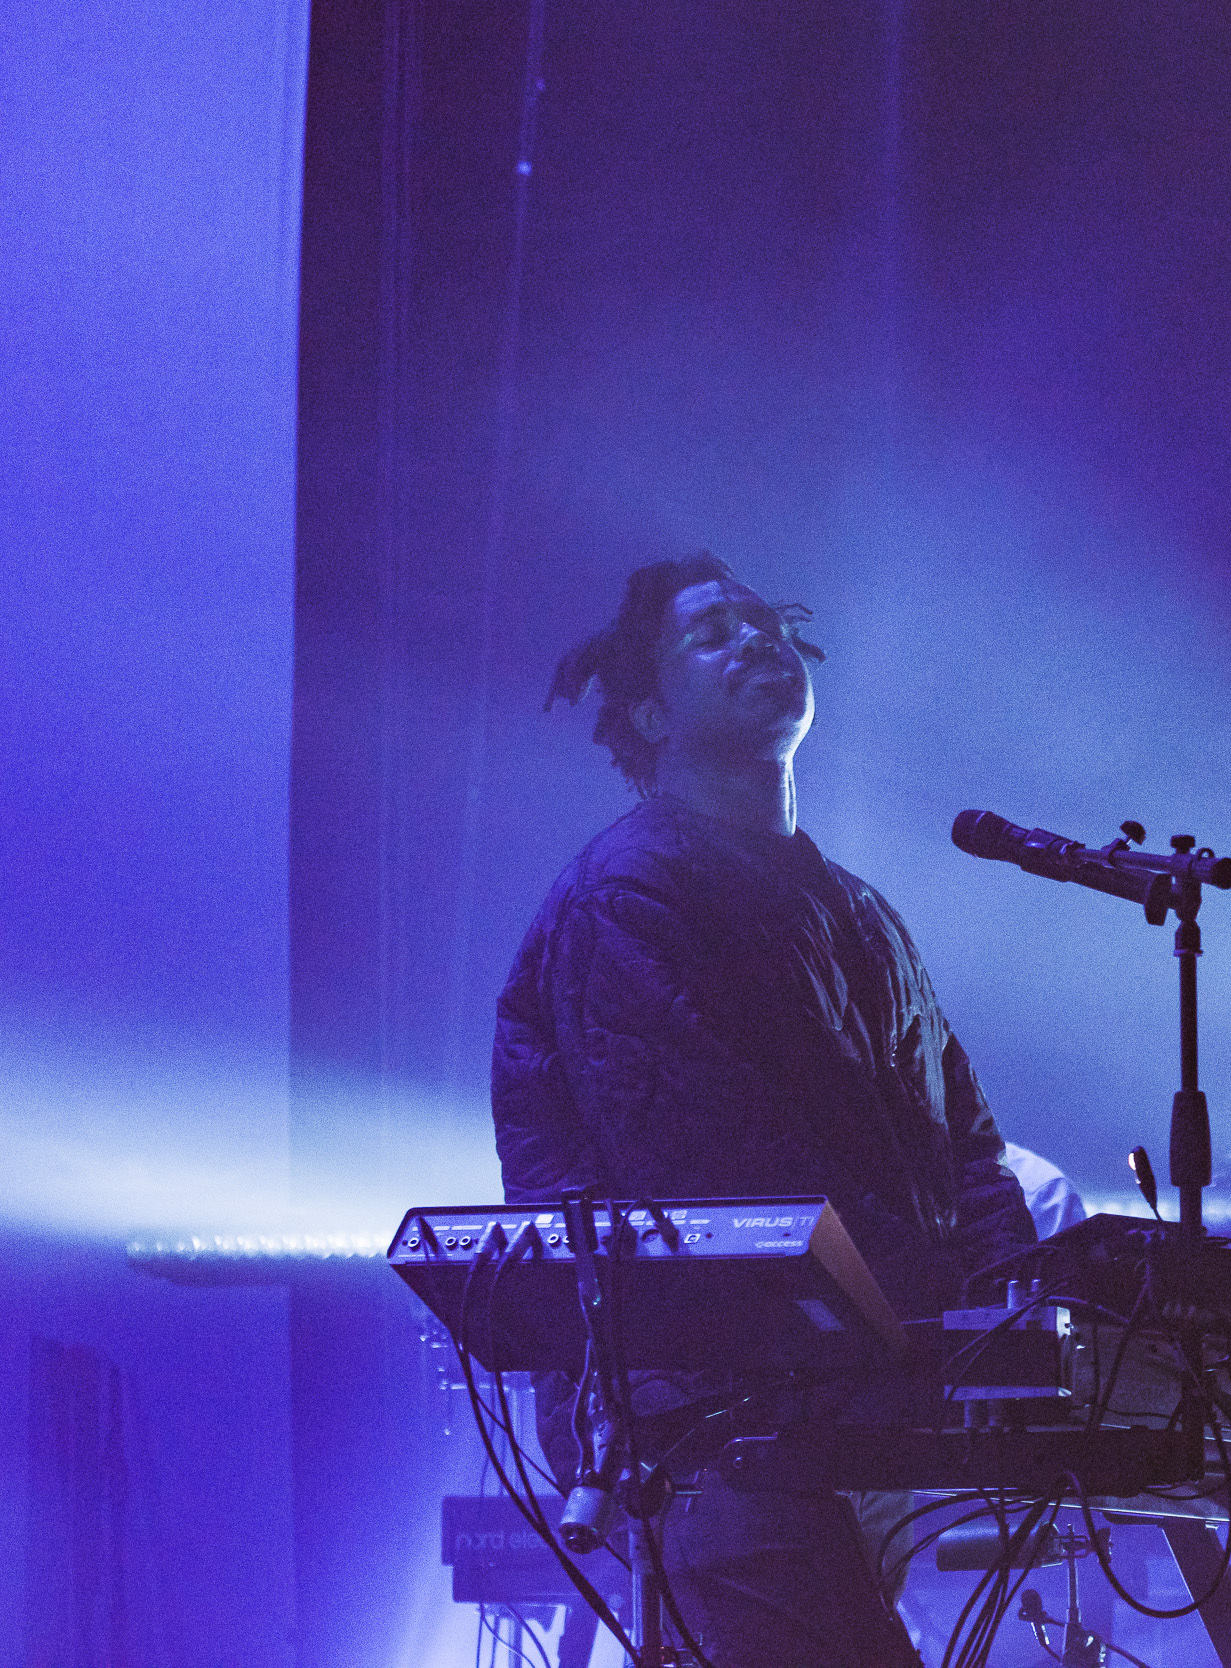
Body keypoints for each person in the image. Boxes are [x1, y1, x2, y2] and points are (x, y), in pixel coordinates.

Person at [493, 553, 1035, 1668]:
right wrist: (945, 1330)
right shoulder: (628, 896)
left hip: (842, 1404)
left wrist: (1022, 1322)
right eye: (711, 635)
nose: (753, 641)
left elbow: (965, 1149)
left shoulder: (861, 912)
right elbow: (719, 1180)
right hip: (702, 1424)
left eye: (762, 621)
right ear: (648, 712)